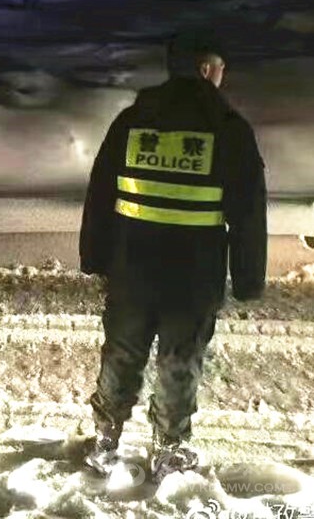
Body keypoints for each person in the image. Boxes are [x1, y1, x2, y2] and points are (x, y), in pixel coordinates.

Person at [79, 30, 267, 481]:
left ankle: (105, 439)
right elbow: (248, 212)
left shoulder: (132, 121)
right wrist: (247, 278)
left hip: (132, 267)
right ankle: (169, 448)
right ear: (206, 70)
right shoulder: (228, 129)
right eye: (220, 69)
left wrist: (95, 256)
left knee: (122, 353)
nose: (221, 77)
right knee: (180, 361)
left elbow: (101, 193)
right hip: (193, 274)